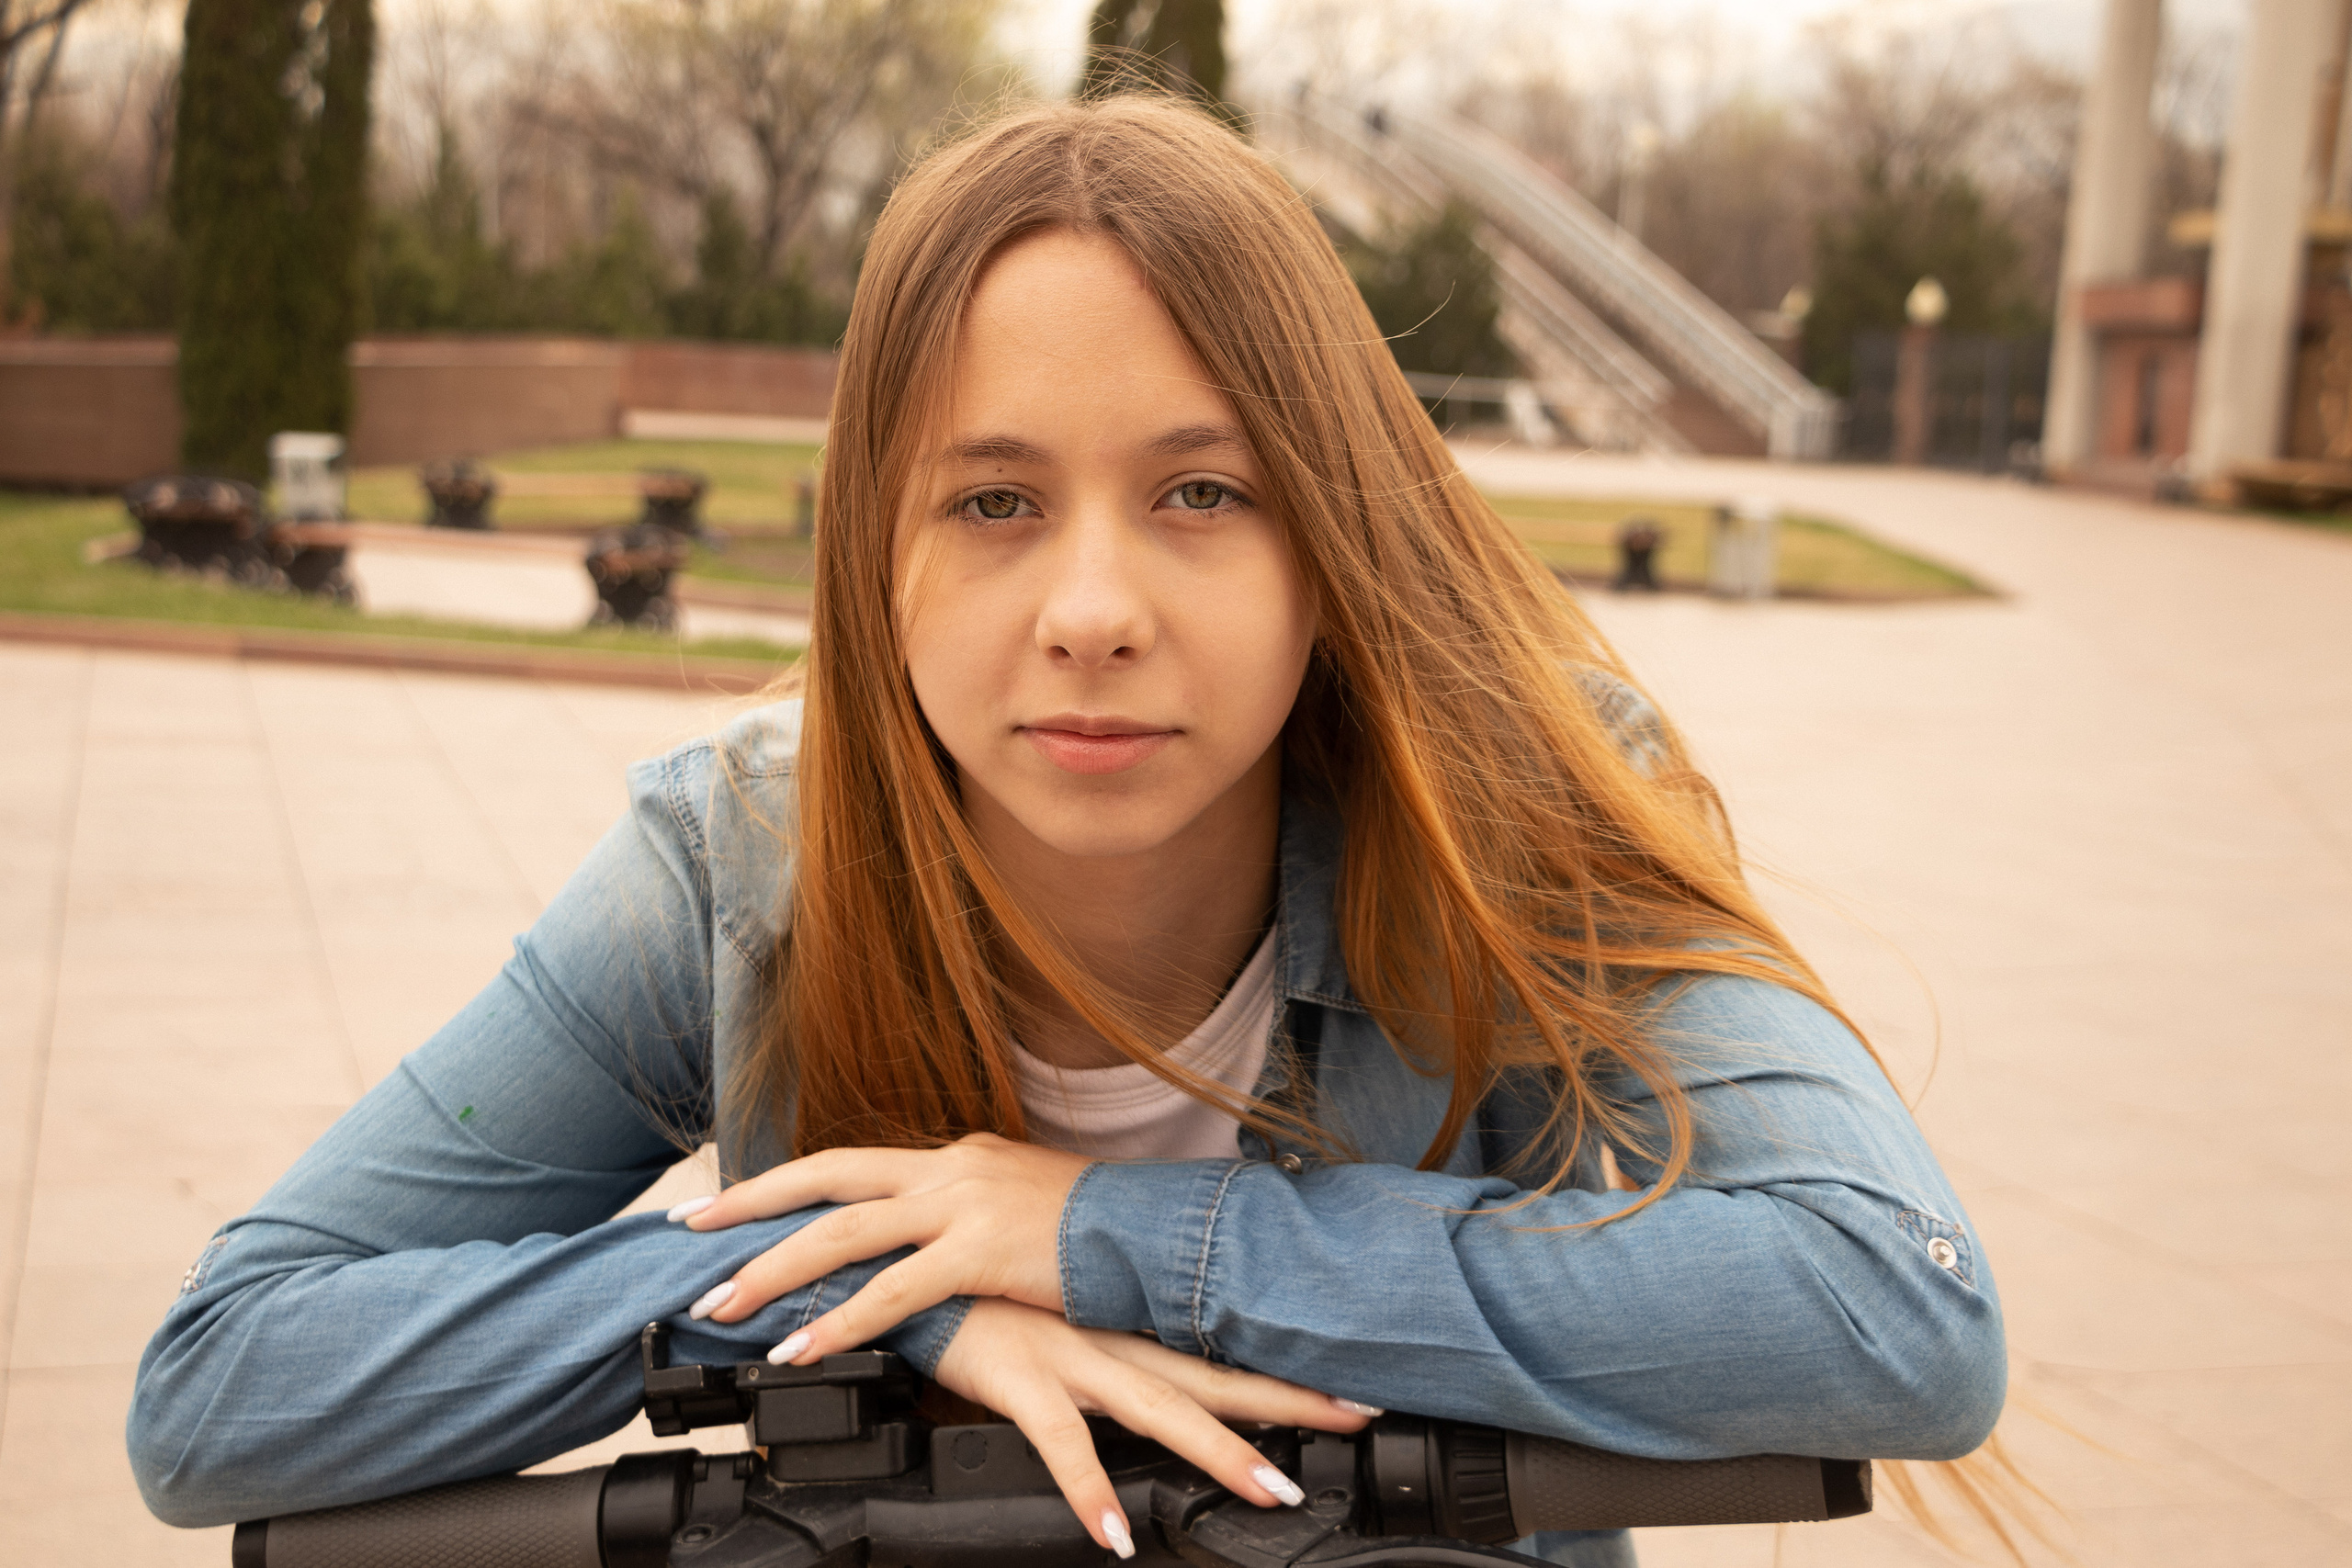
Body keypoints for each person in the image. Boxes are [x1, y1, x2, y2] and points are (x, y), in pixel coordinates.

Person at [126, 95, 2003, 1568]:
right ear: (875, 552)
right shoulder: (737, 862)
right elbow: (221, 1384)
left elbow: (1892, 1308)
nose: (1092, 611)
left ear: (1330, 537)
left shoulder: (1504, 809)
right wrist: (854, 1277)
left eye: (1201, 492)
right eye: (994, 503)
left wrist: (1115, 1236)